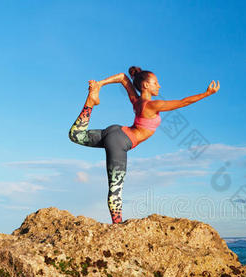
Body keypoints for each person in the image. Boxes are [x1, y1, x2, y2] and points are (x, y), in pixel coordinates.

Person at [68, 66, 220, 224]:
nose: (159, 86)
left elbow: (122, 77)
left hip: (114, 132)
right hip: (120, 141)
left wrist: (100, 84)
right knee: (115, 188)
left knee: (75, 135)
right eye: (156, 83)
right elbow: (183, 102)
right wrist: (206, 94)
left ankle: (90, 102)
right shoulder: (152, 105)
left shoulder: (137, 101)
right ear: (146, 85)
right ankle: (118, 227)